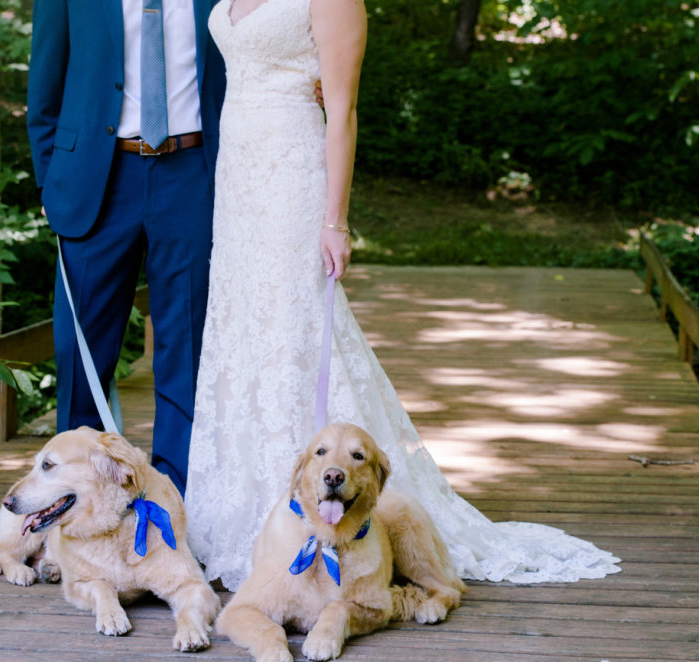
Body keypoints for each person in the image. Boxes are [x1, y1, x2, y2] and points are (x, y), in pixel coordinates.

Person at [184, 0, 621, 591]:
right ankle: (243, 512)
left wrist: (334, 220)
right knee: (241, 333)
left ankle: (334, 509)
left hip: (292, 176)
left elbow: (341, 110)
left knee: (296, 330)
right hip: (237, 178)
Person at [26, 0, 226, 495]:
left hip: (193, 171)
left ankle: (174, 499)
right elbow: (44, 85)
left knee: (186, 343)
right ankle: (78, 497)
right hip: (97, 176)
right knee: (81, 349)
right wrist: (49, 182)